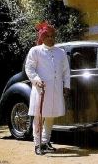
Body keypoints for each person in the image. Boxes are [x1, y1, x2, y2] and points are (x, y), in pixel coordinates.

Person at [25, 22, 70, 155]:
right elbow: (29, 68)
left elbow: (66, 71)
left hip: (55, 90)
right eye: (47, 36)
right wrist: (36, 80)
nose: (51, 39)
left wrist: (66, 85)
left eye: (52, 36)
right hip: (41, 90)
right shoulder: (35, 51)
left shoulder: (60, 52)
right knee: (38, 117)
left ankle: (45, 141)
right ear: (42, 37)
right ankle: (37, 144)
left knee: (50, 116)